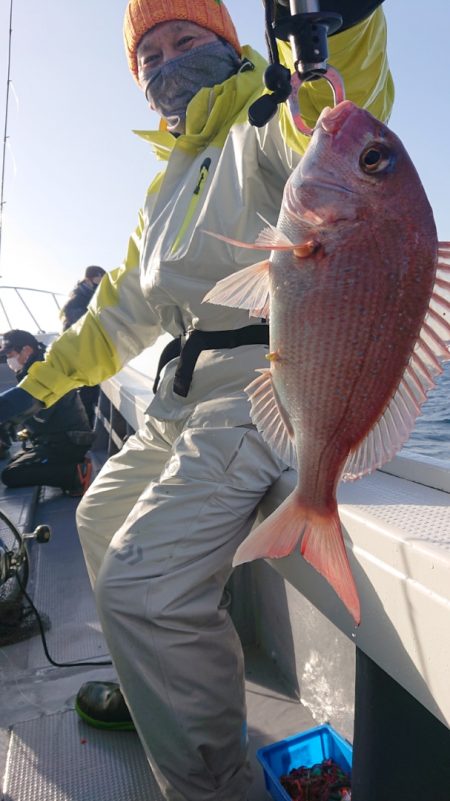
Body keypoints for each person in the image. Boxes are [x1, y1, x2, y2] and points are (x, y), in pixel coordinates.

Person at [0, 2, 393, 798]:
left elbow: (348, 122)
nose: (168, 61)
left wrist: (340, 28)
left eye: (187, 39)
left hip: (261, 389)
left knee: (140, 589)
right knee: (96, 518)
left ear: (231, 44)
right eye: (150, 55)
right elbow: (120, 311)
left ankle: (216, 784)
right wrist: (31, 390)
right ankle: (159, 699)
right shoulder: (165, 186)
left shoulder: (267, 120)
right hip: (176, 403)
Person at [0, 330, 94, 495]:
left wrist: (8, 421)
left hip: (66, 443)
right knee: (13, 460)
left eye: (10, 355)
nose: (8, 361)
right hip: (62, 440)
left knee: (11, 474)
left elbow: (38, 413)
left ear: (27, 350)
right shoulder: (39, 369)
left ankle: (75, 475)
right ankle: (71, 465)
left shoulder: (42, 375)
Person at [60, 265, 107, 426]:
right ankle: (84, 428)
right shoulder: (79, 298)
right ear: (91, 278)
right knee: (87, 394)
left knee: (88, 393)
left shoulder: (85, 294)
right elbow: (78, 323)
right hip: (81, 353)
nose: (101, 282)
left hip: (85, 351)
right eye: (100, 278)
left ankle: (85, 426)